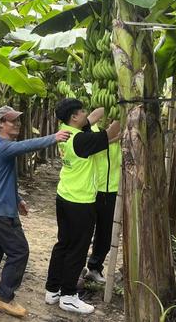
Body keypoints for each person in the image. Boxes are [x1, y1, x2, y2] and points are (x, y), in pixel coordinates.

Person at [0, 105, 71, 318]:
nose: (17, 124)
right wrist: (54, 137)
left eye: (18, 120)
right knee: (19, 252)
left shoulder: (3, 146)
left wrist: (18, 199)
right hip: (0, 212)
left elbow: (4, 179)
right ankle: (5, 297)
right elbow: (28, 145)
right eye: (12, 121)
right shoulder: (4, 147)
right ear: (1, 124)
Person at [44, 98, 120, 315]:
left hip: (64, 196)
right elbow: (109, 133)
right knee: (77, 249)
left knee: (63, 244)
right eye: (82, 111)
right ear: (74, 116)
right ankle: (68, 296)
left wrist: (111, 101)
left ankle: (52, 289)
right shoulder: (81, 141)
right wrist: (125, 109)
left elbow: (94, 117)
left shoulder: (66, 131)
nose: (87, 114)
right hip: (80, 201)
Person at [84, 113, 122, 284]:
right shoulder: (88, 131)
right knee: (83, 233)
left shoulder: (125, 133)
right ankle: (77, 269)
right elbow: (96, 145)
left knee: (105, 234)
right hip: (90, 190)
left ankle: (94, 267)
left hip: (113, 190)